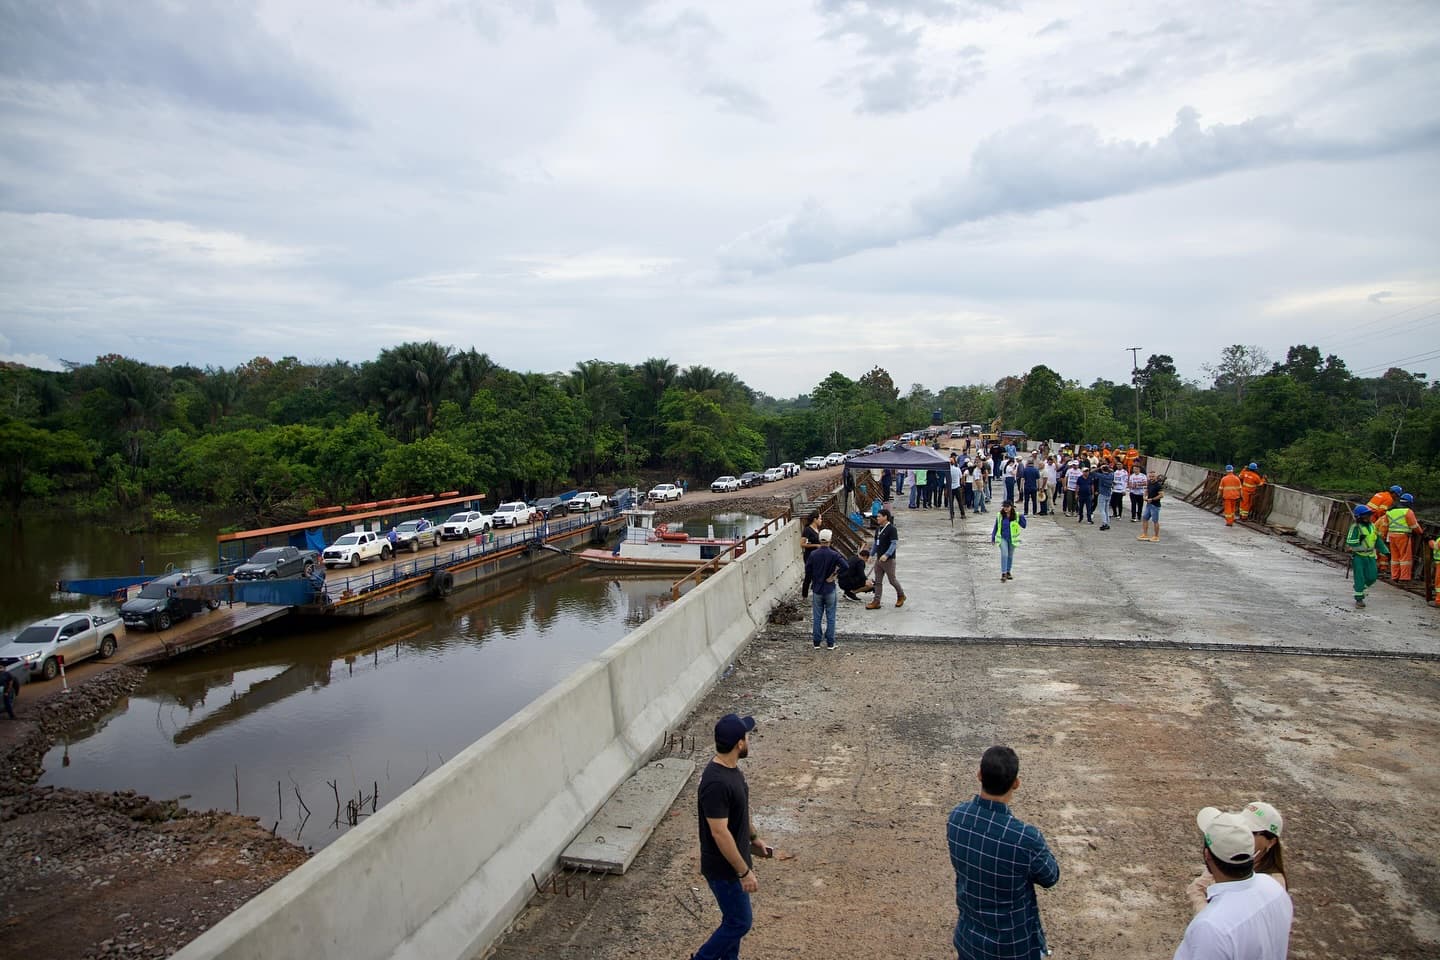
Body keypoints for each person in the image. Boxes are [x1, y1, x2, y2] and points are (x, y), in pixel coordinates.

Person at [946, 746, 1059, 960]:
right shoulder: (1025, 838)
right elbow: (1050, 876)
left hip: (969, 940)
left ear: (979, 775)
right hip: (1012, 947)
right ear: (1016, 783)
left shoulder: (957, 818)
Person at [693, 713, 773, 960]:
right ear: (739, 743)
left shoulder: (732, 771)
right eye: (747, 737)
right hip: (724, 869)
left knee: (732, 921)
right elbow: (719, 832)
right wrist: (743, 872)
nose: (749, 740)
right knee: (740, 922)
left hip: (734, 863)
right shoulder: (716, 783)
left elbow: (741, 811)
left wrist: (753, 837)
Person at [1173, 807, 1293, 960]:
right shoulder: (1273, 887)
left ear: (1207, 855)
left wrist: (1207, 917)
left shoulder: (1211, 928)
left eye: (1251, 831)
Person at [804, 529, 844, 650]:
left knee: (817, 617)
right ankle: (830, 643)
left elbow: (808, 570)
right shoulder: (834, 554)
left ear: (820, 539)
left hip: (817, 588)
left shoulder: (813, 554)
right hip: (829, 588)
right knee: (830, 616)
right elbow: (845, 566)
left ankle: (816, 642)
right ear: (830, 540)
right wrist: (834, 575)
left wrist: (809, 584)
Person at [1345, 505, 1388, 608]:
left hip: (1370, 555)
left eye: (1369, 515)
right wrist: (1359, 540)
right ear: (1359, 517)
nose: (1369, 517)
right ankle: (1359, 599)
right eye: (1366, 515)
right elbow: (1349, 541)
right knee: (1359, 577)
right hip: (1358, 556)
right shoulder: (1355, 527)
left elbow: (1377, 540)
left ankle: (1360, 587)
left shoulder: (1372, 526)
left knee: (1372, 577)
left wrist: (1385, 551)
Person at [866, 508, 905, 609]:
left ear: (885, 517)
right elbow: (876, 543)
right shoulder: (878, 529)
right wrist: (871, 555)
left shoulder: (892, 529)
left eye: (879, 516)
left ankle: (901, 595)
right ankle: (876, 601)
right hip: (879, 559)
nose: (877, 518)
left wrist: (887, 555)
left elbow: (893, 544)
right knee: (878, 581)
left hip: (888, 560)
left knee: (892, 580)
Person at [1385, 493, 1423, 582]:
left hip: (1391, 536)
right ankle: (1404, 577)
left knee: (1395, 557)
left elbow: (1386, 524)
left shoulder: (1390, 511)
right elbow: (1414, 526)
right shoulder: (1407, 512)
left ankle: (1395, 576)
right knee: (1405, 558)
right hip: (1403, 536)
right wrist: (1421, 532)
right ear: (1409, 503)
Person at [991, 500, 1027, 581]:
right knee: (1004, 554)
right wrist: (993, 537)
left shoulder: (1016, 516)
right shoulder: (1000, 515)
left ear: (1011, 507)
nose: (1006, 508)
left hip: (1012, 539)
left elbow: (1024, 525)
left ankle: (1008, 571)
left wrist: (1022, 517)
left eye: (1007, 507)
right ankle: (1003, 573)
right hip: (1002, 538)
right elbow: (996, 527)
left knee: (1010, 556)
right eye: (1004, 507)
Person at [799, 511, 822, 600]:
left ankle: (816, 592)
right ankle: (804, 596)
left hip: (817, 556)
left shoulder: (817, 529)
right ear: (815, 519)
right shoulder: (807, 530)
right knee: (808, 575)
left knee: (818, 574)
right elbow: (802, 544)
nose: (821, 520)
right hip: (809, 556)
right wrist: (816, 545)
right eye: (820, 519)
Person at [1139, 471, 1165, 542]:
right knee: (1145, 518)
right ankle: (1145, 534)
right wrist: (1144, 496)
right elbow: (1147, 491)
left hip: (1155, 505)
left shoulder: (1158, 485)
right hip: (1149, 504)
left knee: (1155, 521)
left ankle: (1156, 536)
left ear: (1156, 477)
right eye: (1150, 476)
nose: (1151, 478)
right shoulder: (1149, 483)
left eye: (1153, 476)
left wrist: (1152, 499)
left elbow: (1161, 495)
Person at [1096, 464, 1114, 530]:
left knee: (1102, 510)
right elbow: (1112, 471)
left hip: (1102, 493)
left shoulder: (1101, 476)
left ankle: (1104, 523)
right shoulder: (1111, 475)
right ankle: (1107, 523)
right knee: (1106, 510)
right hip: (1108, 493)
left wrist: (1099, 468)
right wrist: (1107, 468)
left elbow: (1091, 472)